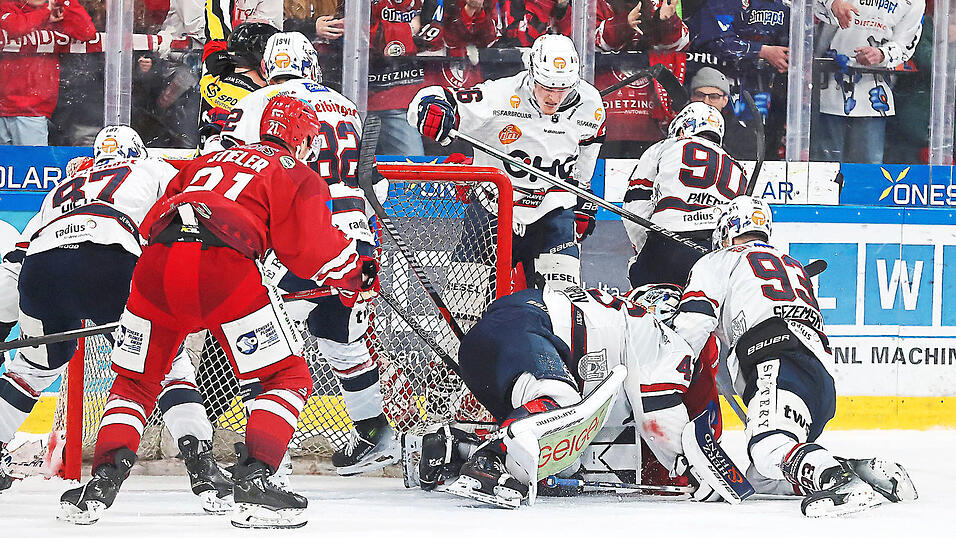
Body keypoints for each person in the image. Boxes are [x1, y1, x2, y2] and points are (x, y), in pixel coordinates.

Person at [59, 96, 377, 528]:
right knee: (286, 377)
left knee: (135, 383)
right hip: (222, 270)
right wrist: (357, 272)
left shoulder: (208, 159)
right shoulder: (293, 172)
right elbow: (309, 254)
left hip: (156, 267)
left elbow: (159, 211)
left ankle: (96, 489)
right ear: (303, 140)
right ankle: (257, 485)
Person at [219, 31, 399, 476]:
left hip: (299, 234)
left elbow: (228, 165)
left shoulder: (260, 102)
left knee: (265, 342)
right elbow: (366, 176)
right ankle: (376, 432)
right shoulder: (346, 105)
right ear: (311, 65)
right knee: (341, 338)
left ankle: (268, 457)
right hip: (355, 234)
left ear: (267, 66)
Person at [670, 196, 918, 517]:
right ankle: (868, 472)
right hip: (820, 376)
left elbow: (695, 321)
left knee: (768, 447)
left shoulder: (717, 260)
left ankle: (840, 482)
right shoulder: (790, 263)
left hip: (775, 357)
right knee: (766, 476)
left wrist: (669, 373)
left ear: (727, 230)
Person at [406, 284, 739, 509]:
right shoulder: (664, 336)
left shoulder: (619, 319)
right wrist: (695, 467)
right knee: (561, 403)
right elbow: (657, 414)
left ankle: (453, 447)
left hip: (495, 340)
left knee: (559, 457)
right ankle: (488, 460)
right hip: (530, 324)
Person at [408, 33, 605, 301]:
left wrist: (583, 201)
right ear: (531, 72)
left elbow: (586, 158)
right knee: (464, 308)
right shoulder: (500, 96)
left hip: (552, 214)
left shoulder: (590, 105)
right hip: (491, 212)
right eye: (547, 86)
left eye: (563, 88)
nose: (554, 97)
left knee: (564, 310)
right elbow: (433, 98)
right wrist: (432, 109)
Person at [622, 101, 748, 288]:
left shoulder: (666, 146)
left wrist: (643, 252)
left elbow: (636, 203)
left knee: (647, 310)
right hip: (711, 255)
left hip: (666, 244)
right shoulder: (739, 169)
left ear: (682, 130)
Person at [810, 0, 924, 164]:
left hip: (873, 96)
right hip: (825, 91)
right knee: (823, 169)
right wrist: (832, 2)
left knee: (867, 171)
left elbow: (905, 45)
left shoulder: (914, 2)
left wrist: (882, 54)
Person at [0, 0, 95, 146]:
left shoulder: (59, 11)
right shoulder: (7, 5)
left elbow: (87, 32)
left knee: (32, 164)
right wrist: (45, 13)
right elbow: (15, 27)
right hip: (3, 106)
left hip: (32, 110)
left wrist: (65, 2)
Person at [198, 22, 279, 140]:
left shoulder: (209, 81)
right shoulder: (263, 101)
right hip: (239, 156)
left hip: (202, 155)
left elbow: (214, 48)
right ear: (263, 61)